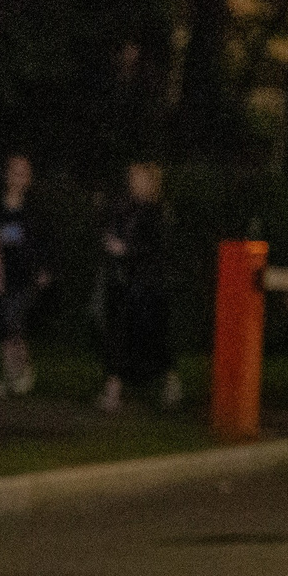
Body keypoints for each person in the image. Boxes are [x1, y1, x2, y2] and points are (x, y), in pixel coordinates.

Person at [93, 162, 178, 412]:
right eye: (131, 177)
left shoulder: (159, 211)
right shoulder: (124, 207)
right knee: (119, 335)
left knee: (151, 337)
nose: (133, 182)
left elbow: (159, 248)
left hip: (149, 285)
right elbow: (109, 228)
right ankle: (113, 390)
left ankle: (169, 381)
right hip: (123, 283)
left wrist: (127, 250)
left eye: (138, 178)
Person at [0, 153, 50, 398]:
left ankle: (23, 369)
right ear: (6, 174)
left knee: (15, 323)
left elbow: (45, 241)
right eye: (15, 172)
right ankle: (9, 376)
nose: (19, 177)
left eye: (24, 173)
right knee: (4, 327)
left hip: (26, 275)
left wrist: (45, 268)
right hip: (2, 273)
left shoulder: (36, 208)